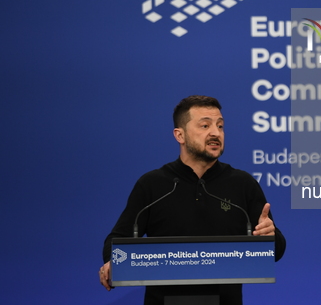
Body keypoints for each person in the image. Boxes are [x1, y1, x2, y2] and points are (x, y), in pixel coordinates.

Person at [99, 95, 286, 304]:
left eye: (220, 126)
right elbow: (117, 239)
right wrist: (112, 262)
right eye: (205, 125)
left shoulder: (243, 184)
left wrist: (268, 236)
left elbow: (276, 249)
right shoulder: (153, 184)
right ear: (180, 135)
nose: (216, 133)